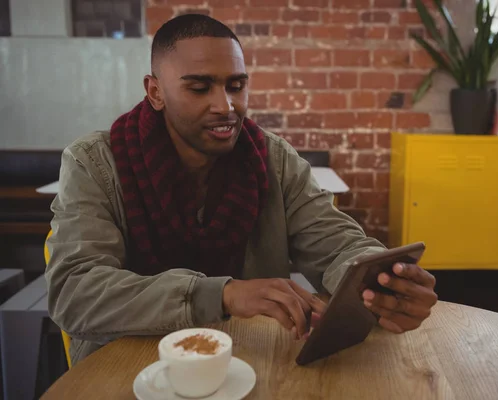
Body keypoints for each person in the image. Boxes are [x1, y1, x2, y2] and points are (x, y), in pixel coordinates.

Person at [45, 14, 438, 366]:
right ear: (155, 91)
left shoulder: (272, 158)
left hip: (252, 363)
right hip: (124, 366)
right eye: (200, 88)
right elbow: (76, 292)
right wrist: (223, 295)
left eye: (236, 85)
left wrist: (382, 282)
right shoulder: (94, 162)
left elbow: (338, 245)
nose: (226, 106)